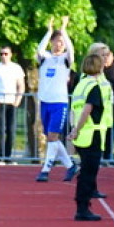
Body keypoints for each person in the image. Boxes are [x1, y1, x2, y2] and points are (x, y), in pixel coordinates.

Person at [68, 52, 113, 221]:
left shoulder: (80, 85)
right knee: (89, 173)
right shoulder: (94, 86)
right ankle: (83, 208)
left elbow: (74, 109)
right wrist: (77, 129)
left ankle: (82, 205)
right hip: (92, 133)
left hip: (82, 134)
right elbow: (87, 109)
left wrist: (74, 129)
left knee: (85, 172)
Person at [35, 17, 78, 182]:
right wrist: (49, 31)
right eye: (56, 41)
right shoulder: (45, 57)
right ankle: (70, 165)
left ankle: (46, 169)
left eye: (62, 42)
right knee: (51, 137)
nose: (59, 44)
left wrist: (64, 29)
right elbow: (39, 50)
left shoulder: (65, 59)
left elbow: (71, 50)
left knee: (53, 136)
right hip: (45, 101)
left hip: (59, 103)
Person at [0, 45, 25, 164]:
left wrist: (18, 99)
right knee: (0, 129)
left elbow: (21, 85)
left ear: (10, 55)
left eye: (6, 54)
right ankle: (1, 156)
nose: (3, 56)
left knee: (11, 129)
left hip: (12, 102)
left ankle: (8, 156)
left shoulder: (16, 68)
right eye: (1, 54)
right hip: (0, 101)